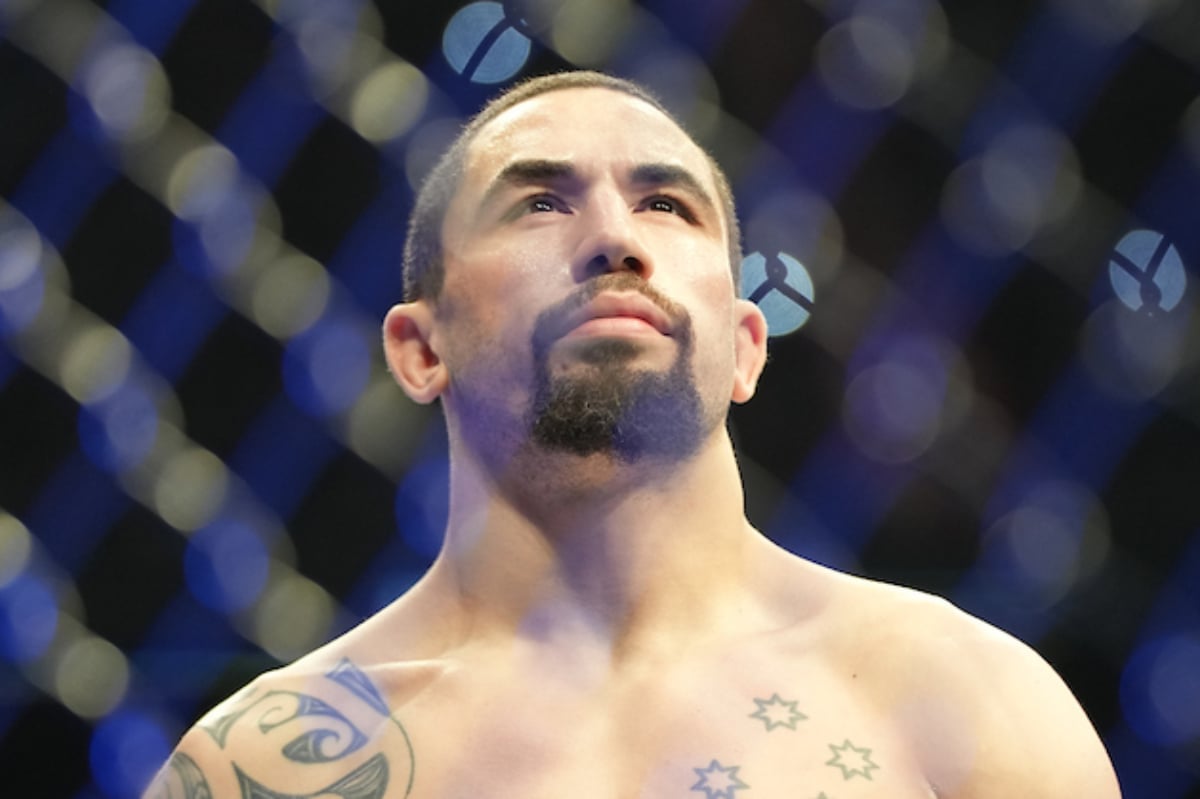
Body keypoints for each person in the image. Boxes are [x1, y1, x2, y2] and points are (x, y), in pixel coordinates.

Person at [145, 70, 1121, 799]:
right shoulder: (266, 762)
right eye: (539, 202)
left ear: (745, 348)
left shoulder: (966, 698)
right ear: (421, 348)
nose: (616, 238)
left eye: (666, 204)